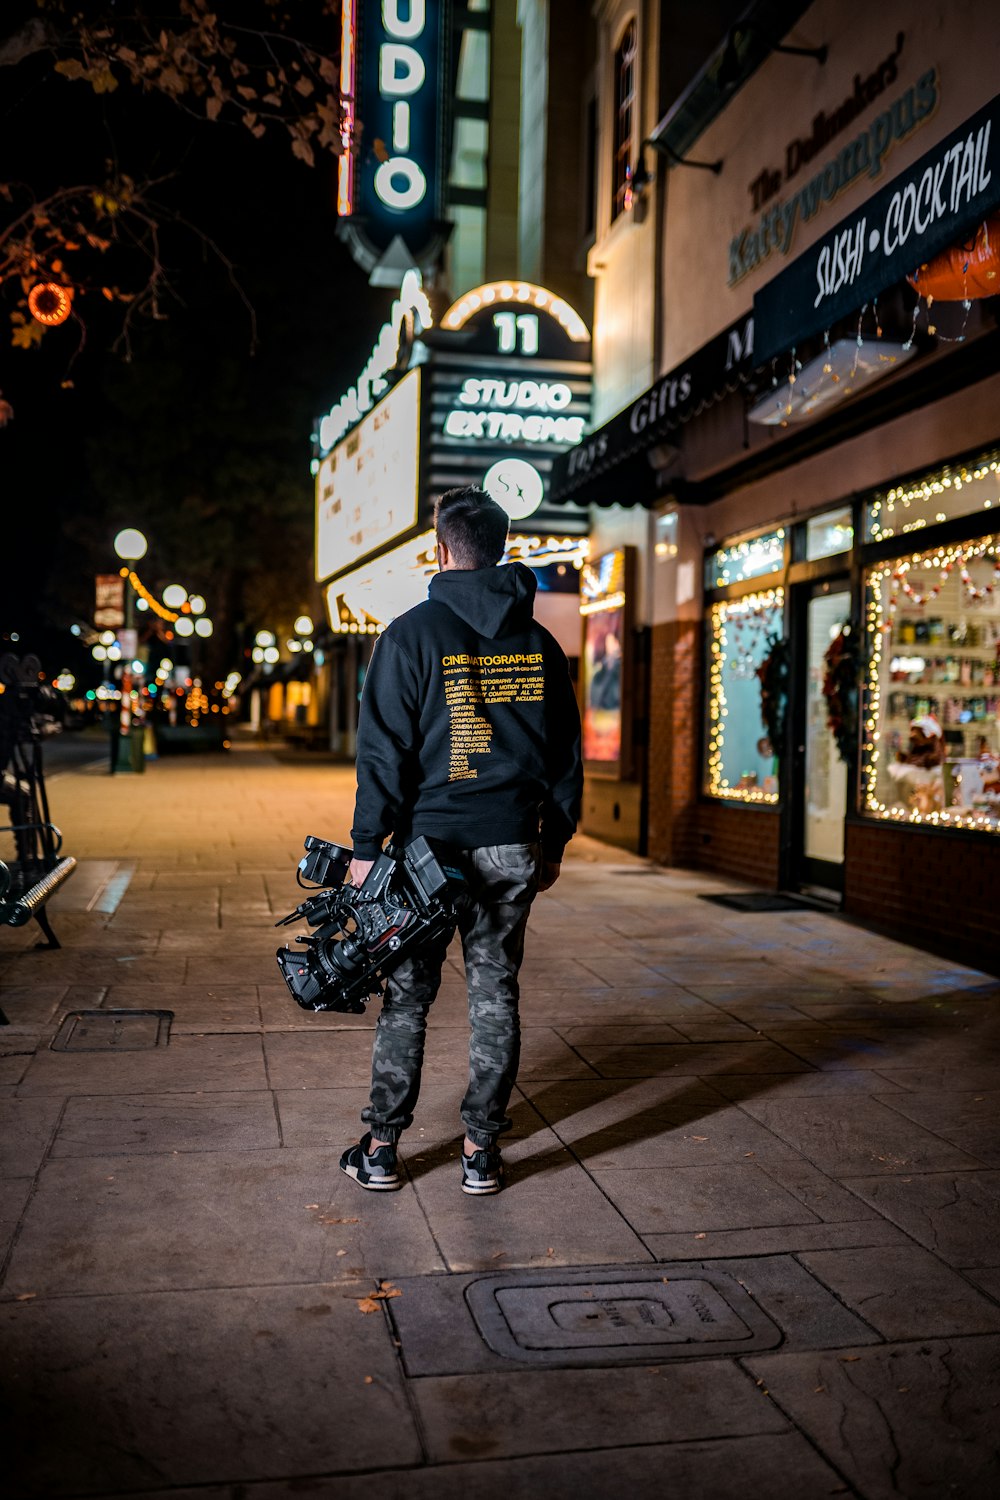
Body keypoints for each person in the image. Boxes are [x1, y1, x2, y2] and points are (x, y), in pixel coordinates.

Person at [340, 485, 583, 1196]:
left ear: (441, 550)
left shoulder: (410, 636)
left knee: (407, 999)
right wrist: (555, 841)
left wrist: (364, 847)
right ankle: (480, 1151)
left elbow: (381, 753)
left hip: (426, 856)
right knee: (495, 994)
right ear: (504, 549)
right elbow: (566, 757)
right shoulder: (540, 644)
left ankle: (382, 1148)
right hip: (511, 844)